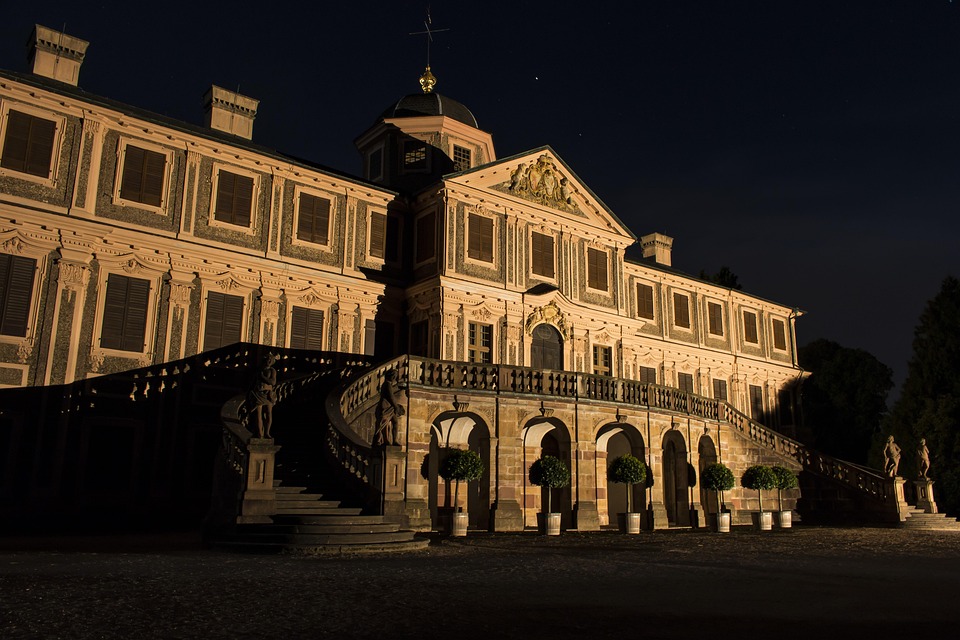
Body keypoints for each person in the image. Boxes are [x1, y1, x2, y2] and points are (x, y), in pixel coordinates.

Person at [248, 354, 278, 438]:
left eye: (270, 360)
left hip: (267, 394)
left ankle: (267, 433)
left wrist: (263, 377)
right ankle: (260, 433)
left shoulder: (272, 370)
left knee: (268, 414)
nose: (268, 361)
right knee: (258, 415)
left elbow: (273, 382)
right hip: (258, 394)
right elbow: (253, 383)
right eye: (267, 359)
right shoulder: (259, 370)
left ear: (272, 362)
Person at [376, 369, 405, 446]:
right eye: (393, 375)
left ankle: (394, 440)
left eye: (395, 376)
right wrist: (396, 407)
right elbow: (391, 397)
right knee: (385, 424)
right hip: (386, 406)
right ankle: (386, 440)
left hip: (389, 407)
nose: (394, 377)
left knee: (395, 422)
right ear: (389, 376)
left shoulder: (388, 384)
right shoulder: (387, 384)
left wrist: (395, 406)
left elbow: (392, 398)